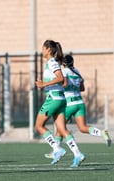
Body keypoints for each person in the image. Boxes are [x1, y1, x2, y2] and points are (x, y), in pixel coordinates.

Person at [44, 54, 112, 159]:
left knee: (59, 128)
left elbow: (65, 84)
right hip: (79, 103)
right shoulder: (77, 71)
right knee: (83, 127)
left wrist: (57, 86)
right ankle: (102, 132)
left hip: (69, 104)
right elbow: (82, 88)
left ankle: (56, 151)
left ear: (63, 63)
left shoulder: (64, 72)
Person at [35, 40, 85, 168]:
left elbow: (60, 78)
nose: (42, 51)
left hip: (53, 99)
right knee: (62, 129)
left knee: (39, 126)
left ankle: (56, 149)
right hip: (61, 99)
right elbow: (61, 80)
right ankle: (77, 153)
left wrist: (43, 84)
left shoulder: (52, 62)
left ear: (48, 49)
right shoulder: (53, 63)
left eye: (43, 48)